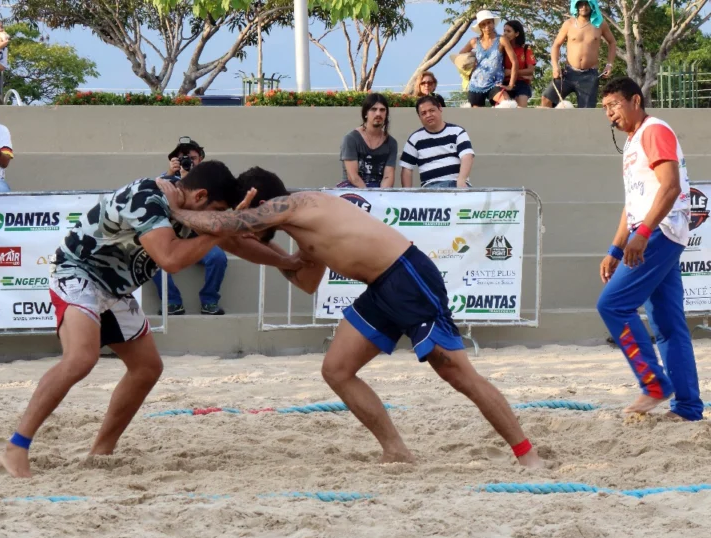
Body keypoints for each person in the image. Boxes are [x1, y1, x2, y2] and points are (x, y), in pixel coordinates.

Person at [162, 167, 543, 468]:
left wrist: (174, 210)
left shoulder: (297, 203)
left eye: (247, 210)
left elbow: (229, 226)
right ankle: (396, 450)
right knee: (337, 370)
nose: (246, 219)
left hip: (407, 276)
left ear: (260, 203)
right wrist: (279, 257)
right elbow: (305, 281)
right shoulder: (302, 232)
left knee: (457, 374)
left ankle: (527, 454)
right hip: (380, 290)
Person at [0, 161, 303, 478]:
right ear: (200, 196)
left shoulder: (188, 206)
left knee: (146, 368)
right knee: (80, 359)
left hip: (115, 288)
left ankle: (101, 452)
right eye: (216, 212)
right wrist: (223, 228)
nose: (215, 220)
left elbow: (235, 242)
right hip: (78, 272)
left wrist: (288, 261)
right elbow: (170, 259)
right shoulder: (147, 197)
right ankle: (16, 447)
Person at [597, 77, 702, 420]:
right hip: (654, 230)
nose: (610, 114)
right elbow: (633, 203)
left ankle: (653, 383)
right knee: (668, 323)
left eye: (614, 105)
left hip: (660, 230)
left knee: (612, 305)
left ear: (636, 101)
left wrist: (642, 233)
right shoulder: (633, 141)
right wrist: (615, 249)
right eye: (605, 108)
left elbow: (670, 187)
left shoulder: (653, 130)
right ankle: (687, 408)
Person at [152, 138, 227, 315]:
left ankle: (209, 301)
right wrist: (170, 174)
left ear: (201, 159)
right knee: (153, 259)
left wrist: (188, 181)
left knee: (218, 258)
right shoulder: (165, 180)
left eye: (192, 158)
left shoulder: (209, 182)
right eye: (183, 159)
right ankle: (172, 302)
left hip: (197, 239)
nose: (188, 162)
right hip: (172, 240)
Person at [542, 0, 617, 108]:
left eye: (587, 4)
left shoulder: (600, 24)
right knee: (546, 99)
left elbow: (612, 42)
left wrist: (609, 65)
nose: (584, 7)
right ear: (576, 6)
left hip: (589, 76)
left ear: (592, 5)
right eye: (580, 4)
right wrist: (555, 66)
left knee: (586, 112)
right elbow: (556, 45)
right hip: (568, 73)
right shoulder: (569, 24)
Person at [400, 96, 474, 189]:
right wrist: (407, 194)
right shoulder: (414, 139)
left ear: (440, 108)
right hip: (431, 188)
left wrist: (461, 180)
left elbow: (467, 156)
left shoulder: (457, 131)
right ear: (419, 117)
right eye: (423, 113)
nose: (428, 115)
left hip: (457, 184)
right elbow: (406, 169)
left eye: (431, 110)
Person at [458, 10, 517, 108]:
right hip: (476, 84)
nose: (487, 26)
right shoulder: (474, 41)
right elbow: (460, 56)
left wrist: (511, 85)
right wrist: (472, 58)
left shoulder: (501, 40)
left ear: (493, 23)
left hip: (494, 83)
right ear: (480, 27)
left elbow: (514, 61)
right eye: (483, 24)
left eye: (489, 22)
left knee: (507, 105)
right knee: (475, 115)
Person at [337, 93, 397, 189]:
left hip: (379, 191)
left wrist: (381, 195)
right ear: (365, 113)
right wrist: (368, 195)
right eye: (373, 109)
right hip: (353, 189)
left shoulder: (391, 143)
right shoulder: (351, 139)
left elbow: (388, 177)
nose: (378, 113)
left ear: (386, 114)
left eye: (382, 110)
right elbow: (353, 177)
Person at [502, 21, 537, 108]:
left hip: (521, 83)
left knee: (521, 110)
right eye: (504, 31)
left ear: (517, 33)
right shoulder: (501, 49)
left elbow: (530, 70)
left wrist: (511, 72)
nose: (505, 33)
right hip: (504, 83)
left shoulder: (526, 48)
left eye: (508, 31)